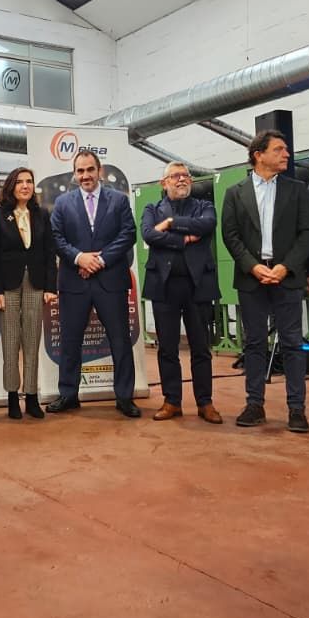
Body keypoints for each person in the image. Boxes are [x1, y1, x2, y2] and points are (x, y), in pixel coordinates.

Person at [220, 132, 309, 433]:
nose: (286, 154)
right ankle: (254, 404)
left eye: (286, 149)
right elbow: (230, 235)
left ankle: (297, 410)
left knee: (292, 343)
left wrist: (286, 267)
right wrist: (253, 267)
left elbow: (308, 232)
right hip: (252, 279)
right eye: (279, 149)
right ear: (258, 155)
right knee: (254, 342)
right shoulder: (235, 193)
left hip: (286, 278)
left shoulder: (297, 189)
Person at [48, 150, 141, 417]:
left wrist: (99, 261)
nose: (85, 175)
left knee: (120, 341)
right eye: (80, 171)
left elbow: (128, 234)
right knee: (69, 341)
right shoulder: (62, 203)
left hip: (109, 280)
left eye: (90, 169)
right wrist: (80, 258)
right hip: (74, 282)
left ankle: (124, 397)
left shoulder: (118, 201)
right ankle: (68, 394)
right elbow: (56, 238)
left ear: (99, 171)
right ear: (74, 174)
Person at [139, 162, 220, 423]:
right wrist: (182, 238)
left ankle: (205, 403)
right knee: (167, 348)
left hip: (198, 286)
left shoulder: (204, 206)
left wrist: (172, 223)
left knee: (200, 348)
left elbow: (207, 225)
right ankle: (172, 401)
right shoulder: (151, 209)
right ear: (164, 183)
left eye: (186, 176)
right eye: (175, 176)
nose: (182, 180)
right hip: (164, 286)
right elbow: (149, 235)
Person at [0, 167, 57, 420]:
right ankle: (12, 397)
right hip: (7, 286)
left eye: (29, 181)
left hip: (35, 284)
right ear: (11, 187)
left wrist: (51, 287)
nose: (25, 186)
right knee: (11, 342)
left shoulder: (42, 215)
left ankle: (32, 397)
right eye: (20, 182)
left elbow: (50, 253)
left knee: (32, 342)